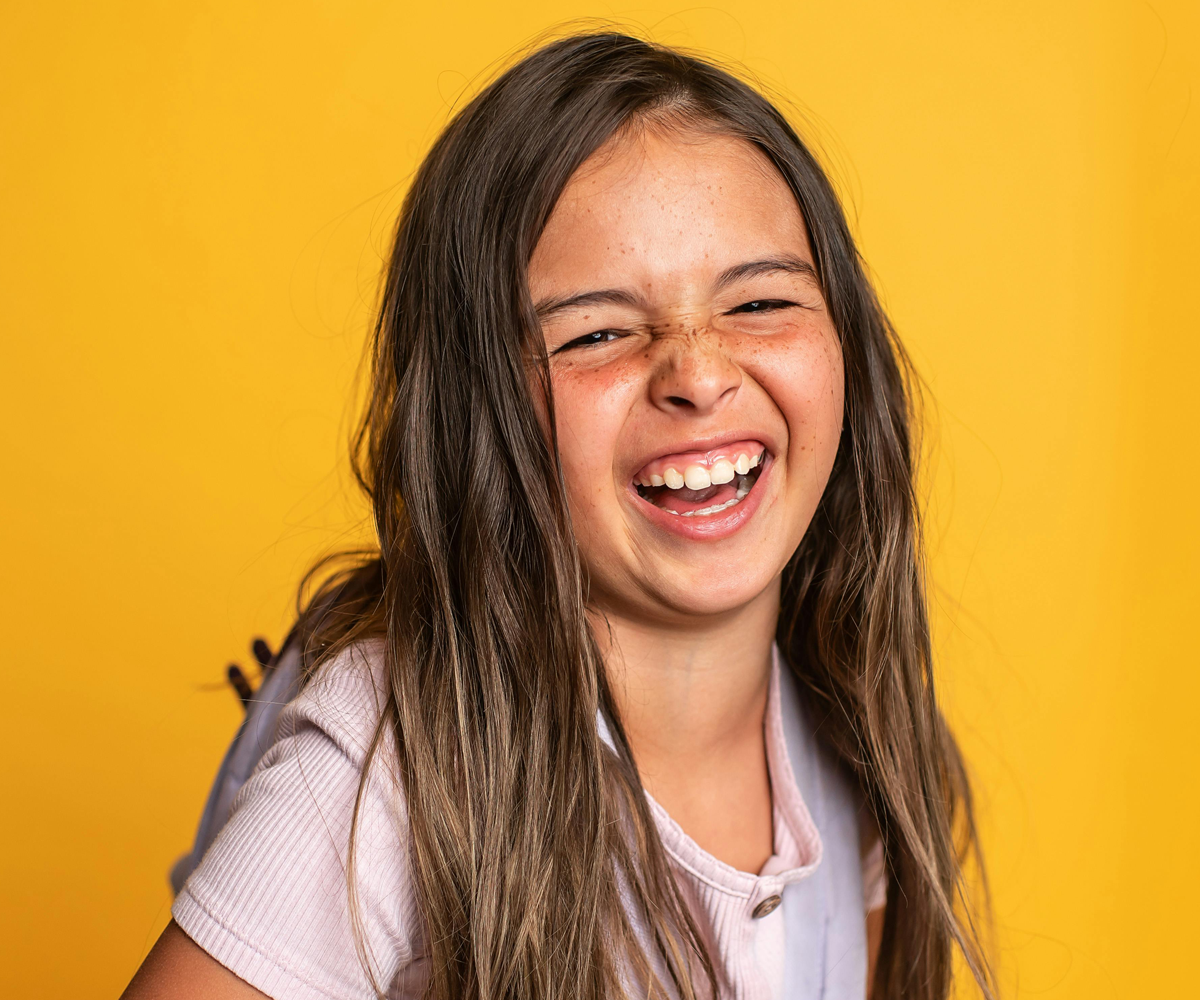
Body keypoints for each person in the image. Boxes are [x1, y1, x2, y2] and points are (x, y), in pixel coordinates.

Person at [122, 32, 993, 1000]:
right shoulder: (394, 760)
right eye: (597, 331)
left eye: (757, 303)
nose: (700, 373)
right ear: (478, 412)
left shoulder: (857, 730)